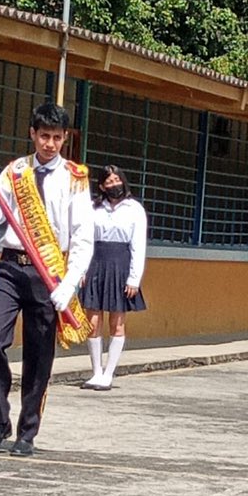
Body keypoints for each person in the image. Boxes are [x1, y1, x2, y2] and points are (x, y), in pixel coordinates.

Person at [0, 102, 94, 456]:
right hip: (11, 266)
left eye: (56, 137)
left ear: (65, 138)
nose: (50, 144)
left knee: (39, 357)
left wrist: (69, 283)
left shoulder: (74, 177)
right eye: (44, 136)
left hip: (49, 275)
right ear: (32, 134)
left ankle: (27, 432)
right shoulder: (16, 171)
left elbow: (83, 236)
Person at [81, 164, 147, 391]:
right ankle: (96, 372)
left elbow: (139, 245)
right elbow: (84, 240)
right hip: (96, 263)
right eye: (108, 182)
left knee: (116, 322)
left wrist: (134, 278)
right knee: (92, 321)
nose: (113, 185)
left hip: (121, 264)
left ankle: (109, 373)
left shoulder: (134, 209)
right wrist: (81, 270)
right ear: (101, 186)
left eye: (117, 180)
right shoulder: (93, 208)